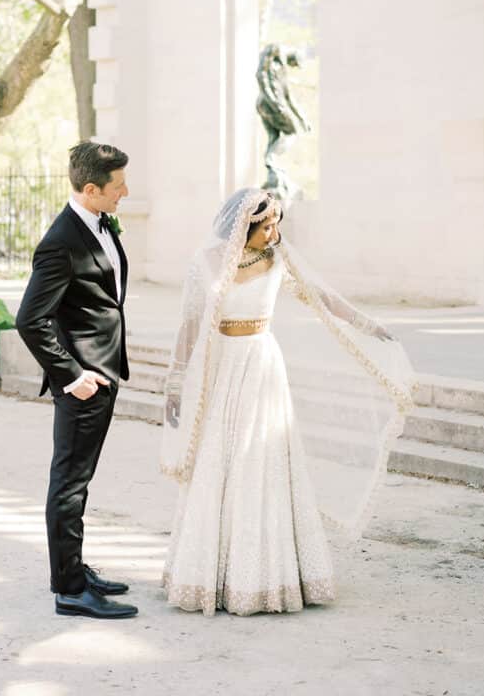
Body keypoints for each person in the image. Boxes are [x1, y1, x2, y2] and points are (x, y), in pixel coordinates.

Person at [161, 187, 416, 616]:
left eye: (277, 223)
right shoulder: (207, 263)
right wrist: (174, 384)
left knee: (264, 463)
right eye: (267, 225)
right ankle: (218, 576)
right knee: (223, 463)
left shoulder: (277, 259)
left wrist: (369, 326)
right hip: (227, 374)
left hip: (262, 368)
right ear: (244, 225)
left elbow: (324, 297)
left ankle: (272, 575)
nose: (274, 231)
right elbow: (189, 326)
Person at [16, 141, 138, 620]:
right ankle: (69, 590)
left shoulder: (99, 223)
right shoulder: (61, 242)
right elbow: (30, 320)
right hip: (84, 382)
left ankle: (74, 569)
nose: (125, 192)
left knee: (78, 482)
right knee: (69, 484)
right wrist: (72, 375)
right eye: (118, 186)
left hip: (104, 372)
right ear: (91, 190)